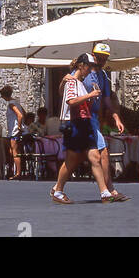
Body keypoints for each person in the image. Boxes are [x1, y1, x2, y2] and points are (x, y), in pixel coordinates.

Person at [50, 53, 117, 205]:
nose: (91, 70)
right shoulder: (72, 82)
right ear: (82, 65)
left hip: (84, 123)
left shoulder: (78, 82)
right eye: (90, 66)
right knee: (71, 160)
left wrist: (90, 98)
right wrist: (90, 95)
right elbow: (71, 101)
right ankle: (58, 190)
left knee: (95, 157)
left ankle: (105, 192)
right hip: (75, 125)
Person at [83, 43, 129, 201]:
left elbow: (107, 99)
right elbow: (69, 90)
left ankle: (108, 190)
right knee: (74, 158)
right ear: (93, 55)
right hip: (83, 119)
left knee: (102, 154)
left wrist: (116, 117)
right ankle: (58, 188)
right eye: (99, 57)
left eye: (105, 58)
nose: (102, 61)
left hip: (93, 120)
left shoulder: (103, 76)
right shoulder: (84, 73)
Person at [0, 84, 25, 178]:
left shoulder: (11, 104)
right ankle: (11, 170)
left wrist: (18, 126)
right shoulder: (16, 103)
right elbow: (24, 113)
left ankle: (18, 173)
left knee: (15, 151)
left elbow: (20, 115)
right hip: (13, 131)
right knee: (11, 151)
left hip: (14, 131)